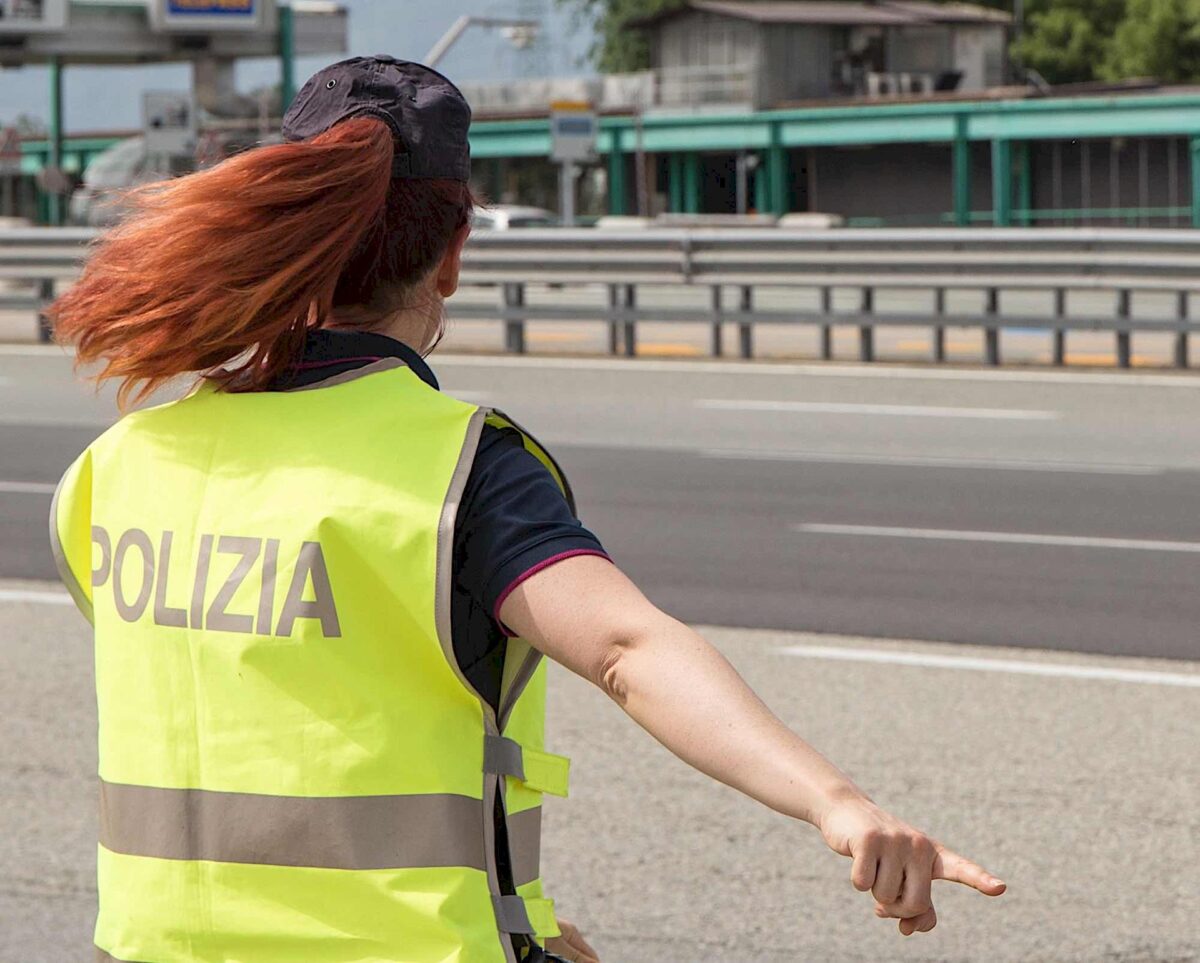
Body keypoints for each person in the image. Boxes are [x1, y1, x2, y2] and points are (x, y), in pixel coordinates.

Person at [47, 57, 1005, 963]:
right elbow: (627, 650)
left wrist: (519, 913)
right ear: (454, 254)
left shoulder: (117, 467)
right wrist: (838, 802)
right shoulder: (461, 467)